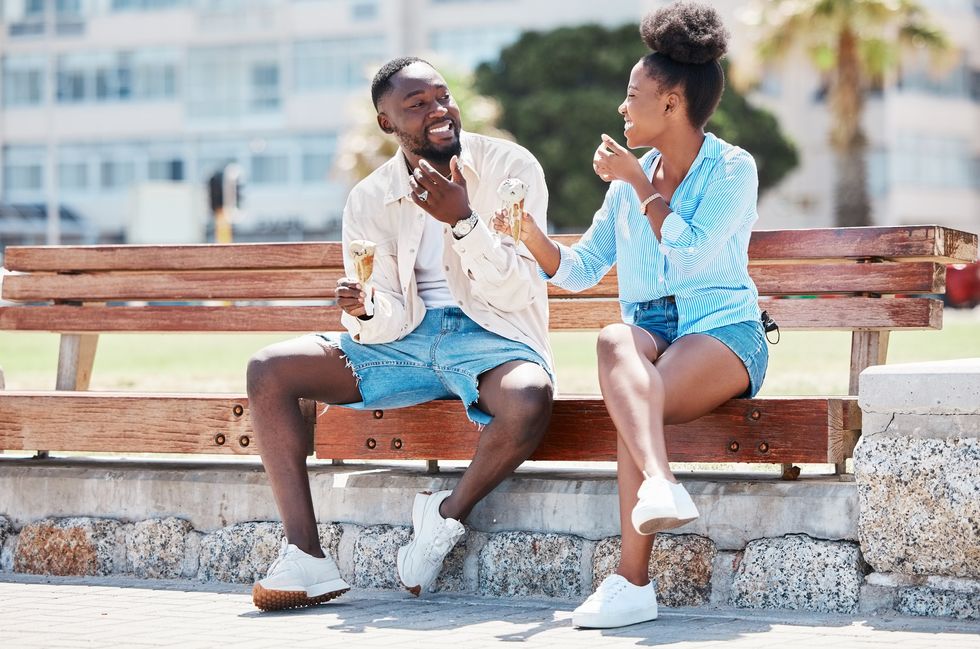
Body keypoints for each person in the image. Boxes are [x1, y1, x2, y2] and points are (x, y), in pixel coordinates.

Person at [492, 2, 768, 629]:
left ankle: (631, 581)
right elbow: (580, 269)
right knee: (617, 342)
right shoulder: (628, 179)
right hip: (652, 335)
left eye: (632, 95)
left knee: (631, 400)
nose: (622, 108)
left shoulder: (733, 168)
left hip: (721, 331)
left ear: (671, 104)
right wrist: (529, 234)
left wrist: (639, 187)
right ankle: (660, 489)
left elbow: (695, 249)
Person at [247, 57, 555, 611]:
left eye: (443, 97)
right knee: (269, 369)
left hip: (491, 335)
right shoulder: (369, 198)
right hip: (405, 343)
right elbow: (387, 312)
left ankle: (443, 519)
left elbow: (516, 293)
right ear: (387, 123)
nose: (438, 111)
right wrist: (365, 310)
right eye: (417, 105)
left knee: (530, 397)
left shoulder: (510, 167)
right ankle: (306, 557)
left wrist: (462, 221)